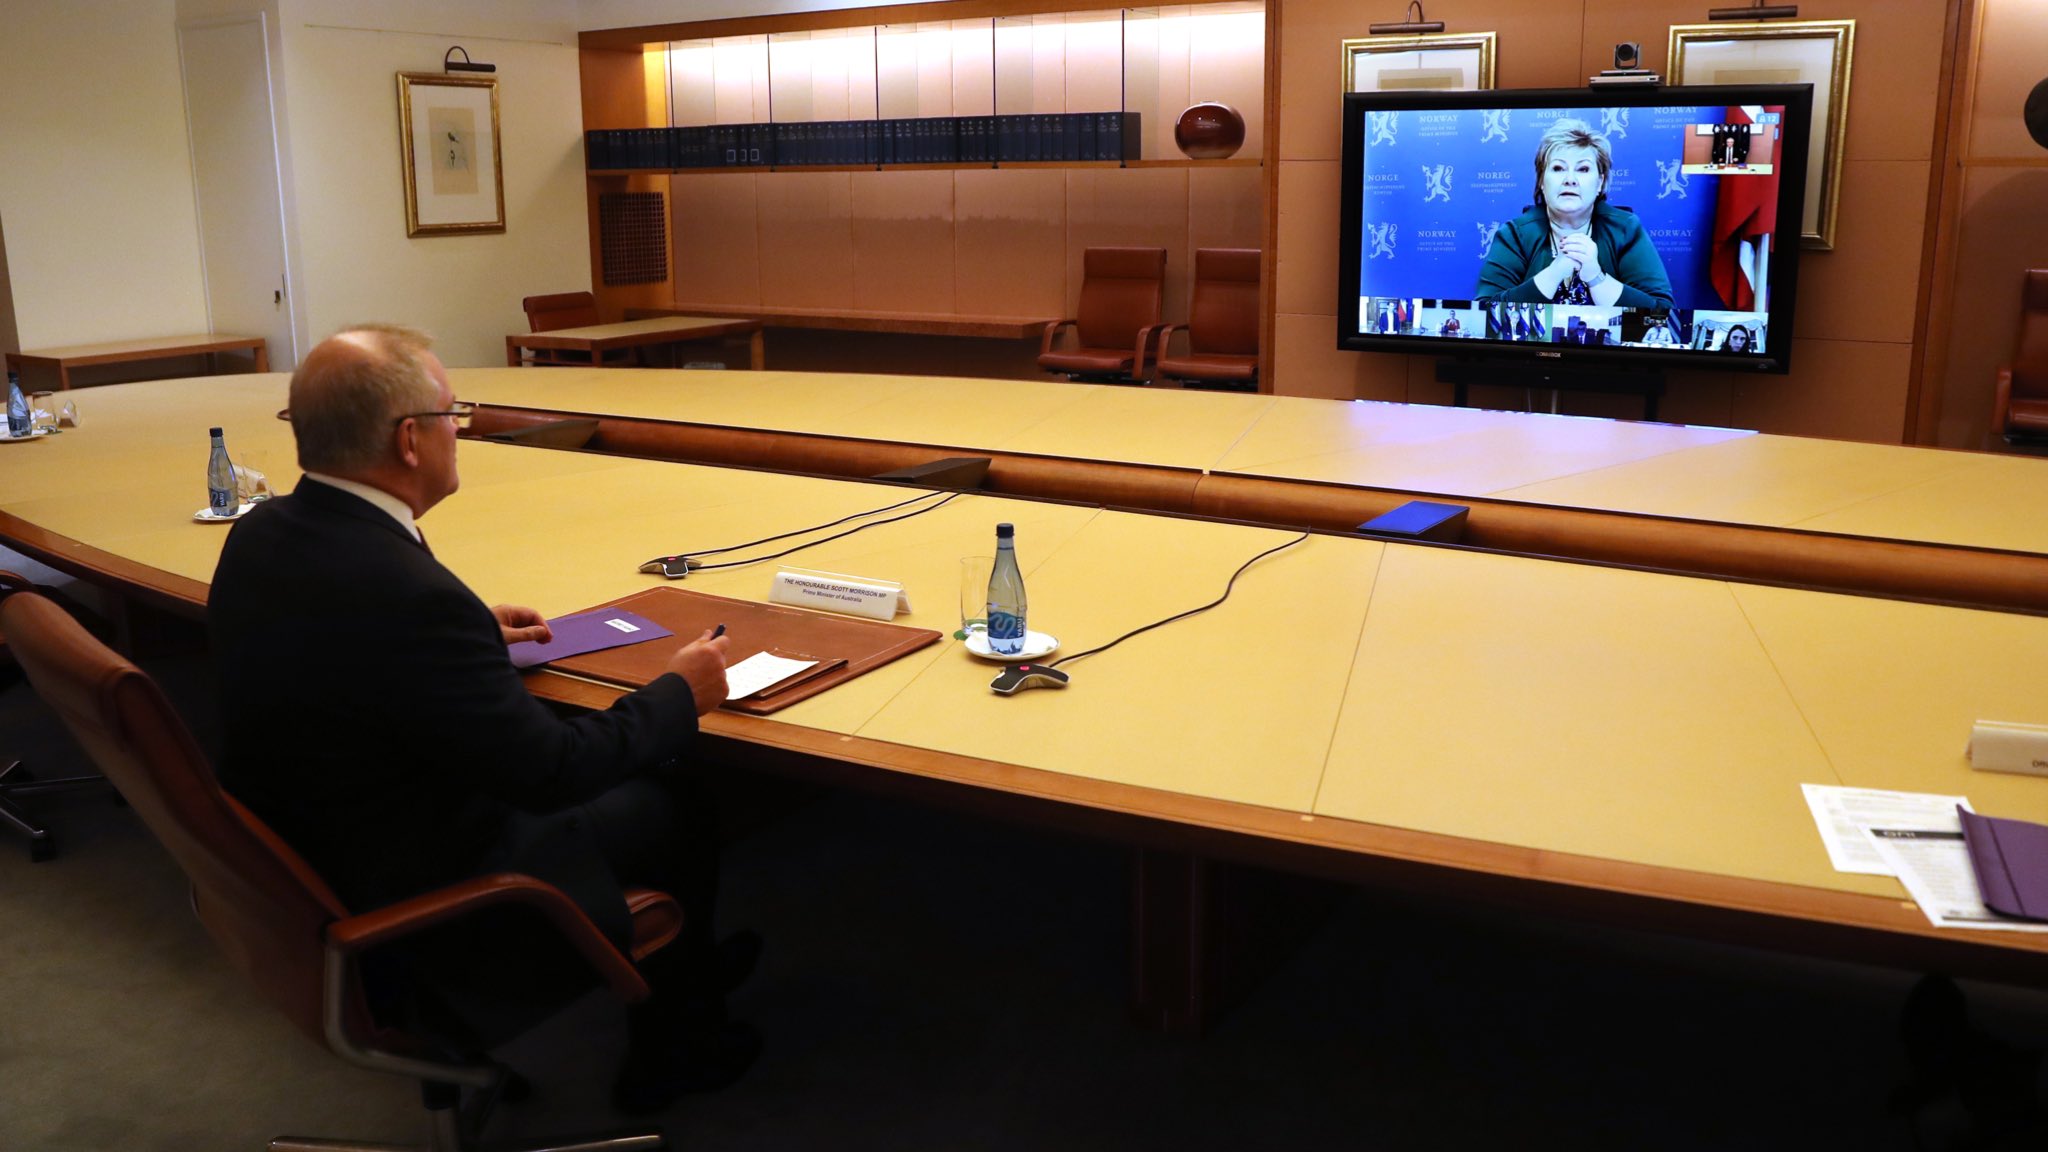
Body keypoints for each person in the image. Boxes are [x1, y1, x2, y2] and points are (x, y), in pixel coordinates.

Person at [208, 324, 758, 1114]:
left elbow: (336, 651)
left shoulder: (261, 532)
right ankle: (677, 1043)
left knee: (654, 777)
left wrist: (467, 644)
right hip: (420, 879)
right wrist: (680, 692)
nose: (459, 430)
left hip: (304, 852)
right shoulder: (408, 594)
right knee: (673, 797)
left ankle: (690, 969)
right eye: (452, 413)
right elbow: (551, 771)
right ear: (410, 440)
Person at [1474, 117, 1675, 312]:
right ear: (1542, 181)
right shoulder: (1515, 234)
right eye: (1558, 168)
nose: (1570, 179)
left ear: (1600, 183)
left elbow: (1662, 313)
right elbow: (1484, 312)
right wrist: (1554, 273)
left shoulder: (1625, 229)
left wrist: (1596, 277)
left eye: (1583, 169)